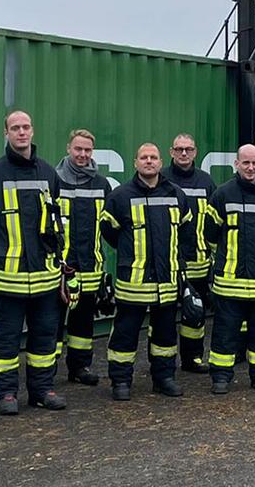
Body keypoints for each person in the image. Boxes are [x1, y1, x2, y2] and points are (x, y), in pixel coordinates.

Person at [0, 110, 64, 415]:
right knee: (5, 341)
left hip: (45, 278)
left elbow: (57, 224)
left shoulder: (49, 173)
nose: (21, 132)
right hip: (6, 280)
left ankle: (42, 390)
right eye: (15, 128)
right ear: (6, 134)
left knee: (44, 340)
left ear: (32, 131)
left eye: (25, 127)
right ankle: (5, 393)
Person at [100, 143, 193, 400]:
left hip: (166, 282)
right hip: (133, 282)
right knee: (125, 335)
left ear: (161, 162)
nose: (149, 161)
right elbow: (109, 232)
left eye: (153, 157)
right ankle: (121, 381)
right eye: (144, 157)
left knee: (165, 336)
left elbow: (186, 232)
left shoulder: (176, 194)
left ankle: (164, 378)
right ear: (136, 163)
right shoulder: (120, 196)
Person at [205, 144, 255, 395]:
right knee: (224, 333)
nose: (250, 168)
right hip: (230, 282)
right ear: (237, 164)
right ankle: (221, 376)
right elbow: (210, 234)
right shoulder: (222, 194)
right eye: (246, 163)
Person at [54, 129, 112, 387]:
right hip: (59, 267)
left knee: (83, 324)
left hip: (90, 266)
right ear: (68, 148)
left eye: (87, 150)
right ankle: (46, 371)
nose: (82, 154)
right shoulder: (54, 180)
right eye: (78, 149)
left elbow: (109, 226)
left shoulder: (102, 184)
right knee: (52, 322)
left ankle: (79, 367)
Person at [161, 133, 217, 375]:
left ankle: (192, 358)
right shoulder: (160, 179)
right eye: (179, 149)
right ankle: (161, 362)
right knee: (163, 317)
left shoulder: (206, 182)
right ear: (171, 152)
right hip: (167, 263)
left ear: (195, 152)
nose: (184, 153)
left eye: (188, 149)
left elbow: (214, 222)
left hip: (198, 261)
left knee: (195, 314)